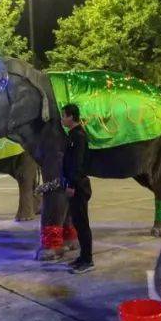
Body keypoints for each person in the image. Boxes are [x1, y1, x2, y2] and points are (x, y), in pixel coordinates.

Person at [62, 104, 94, 274]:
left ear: (71, 117)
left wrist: (72, 185)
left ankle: (88, 260)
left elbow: (78, 164)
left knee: (82, 224)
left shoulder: (79, 136)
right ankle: (82, 257)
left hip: (78, 187)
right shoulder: (73, 135)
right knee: (78, 223)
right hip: (74, 184)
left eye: (64, 116)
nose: (62, 119)